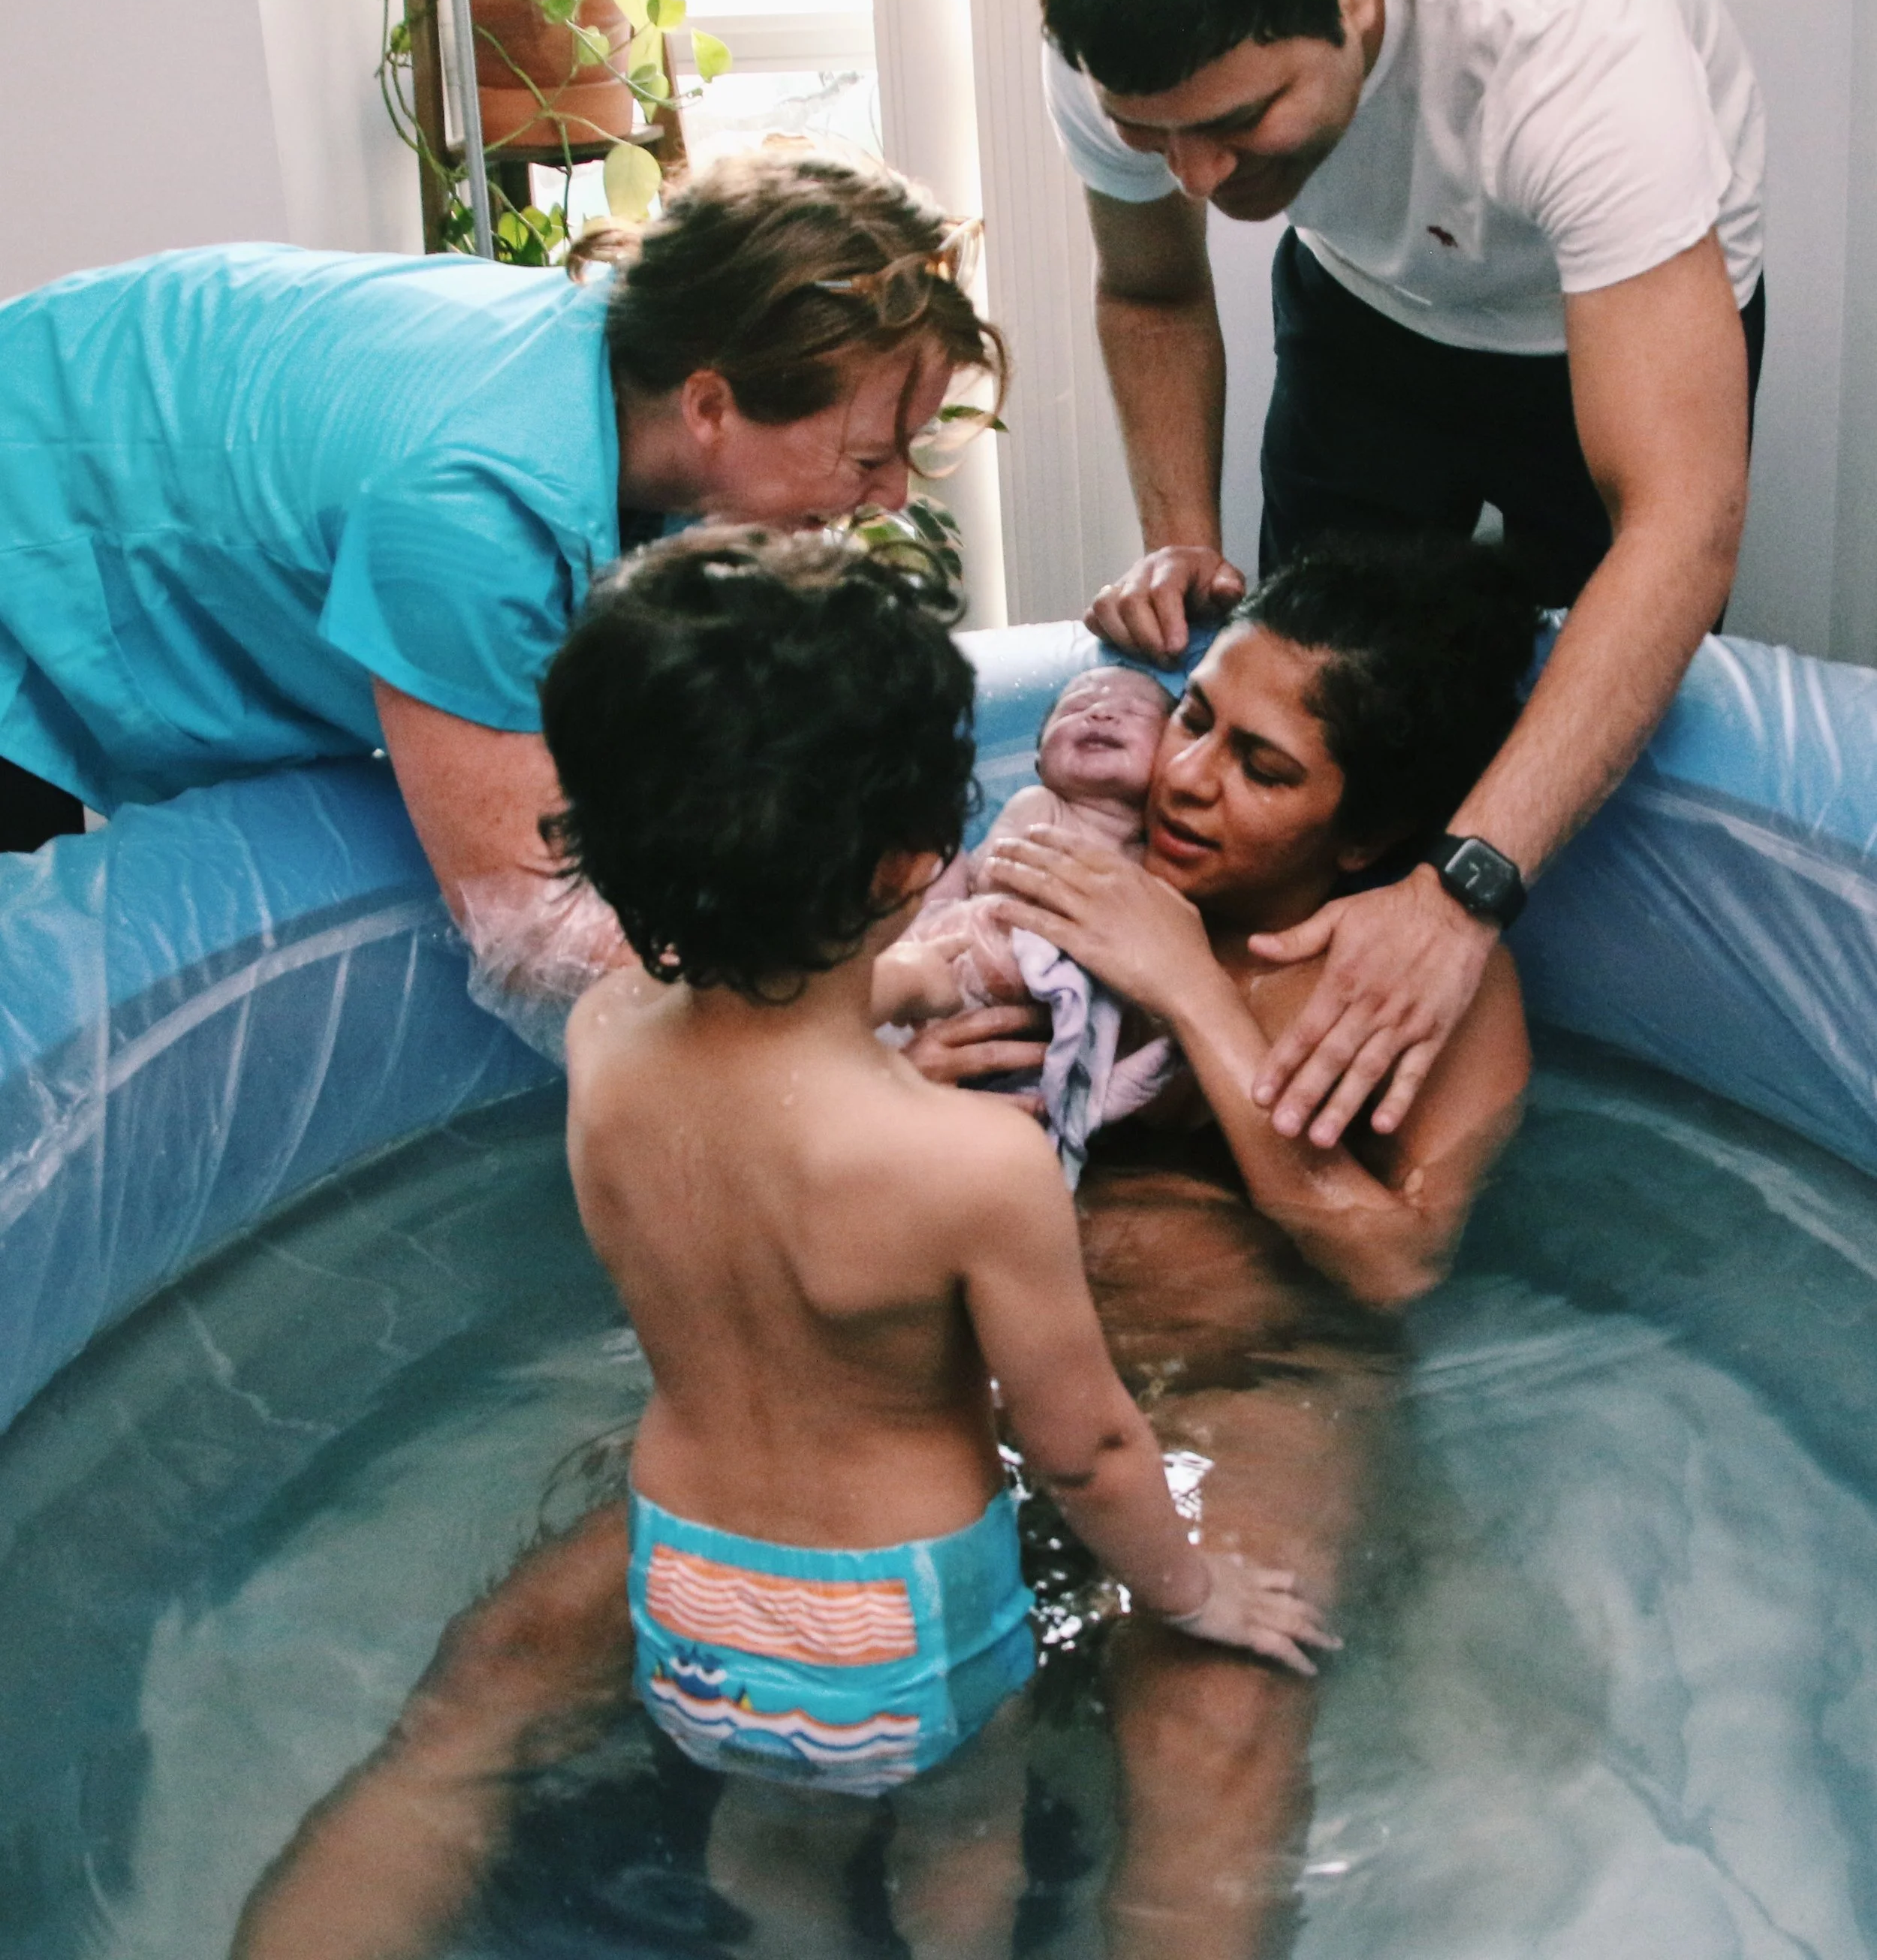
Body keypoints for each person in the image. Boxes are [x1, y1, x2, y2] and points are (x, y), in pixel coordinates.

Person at [542, 529, 1333, 1952]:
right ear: (921, 858)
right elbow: (1086, 1446)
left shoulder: (601, 1047)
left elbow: (756, 1034)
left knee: (771, 1835)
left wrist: (904, 979)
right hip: (898, 1620)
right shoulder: (967, 1165)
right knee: (962, 1837)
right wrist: (1194, 1590)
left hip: (685, 1583)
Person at [1034, 0, 1764, 1156]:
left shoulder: (1566, 40)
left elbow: (1680, 527)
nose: (1192, 176)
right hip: (1372, 299)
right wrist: (1184, 539)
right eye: (1153, 136)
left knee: (1555, 756)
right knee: (1313, 721)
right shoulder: (1119, 48)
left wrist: (1463, 889)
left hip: (1608, 309)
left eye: (1236, 121)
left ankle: (1475, 1077)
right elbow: (1151, 296)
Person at [0, 153, 1002, 1024]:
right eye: (869, 453)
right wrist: (884, 997)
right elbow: (532, 943)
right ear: (710, 405)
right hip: (33, 483)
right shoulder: (476, 511)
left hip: (104, 389)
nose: (894, 492)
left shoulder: (625, 374)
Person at [975, 535, 1537, 1956]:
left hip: (1257, 1379)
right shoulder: (1068, 865)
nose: (1185, 776)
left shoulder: (1427, 991)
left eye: (1264, 769)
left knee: (1213, 1729)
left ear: (1366, 838)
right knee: (541, 1638)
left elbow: (1397, 1263)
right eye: (1200, 715)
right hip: (975, 1350)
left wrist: (1185, 982)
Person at [880, 661, 1173, 1014]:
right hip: (971, 950)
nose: (1100, 713)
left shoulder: (1160, 857)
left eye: (1134, 711)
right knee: (942, 861)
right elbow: (992, 877)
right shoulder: (1041, 806)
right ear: (1040, 764)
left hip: (1061, 999)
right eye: (1076, 707)